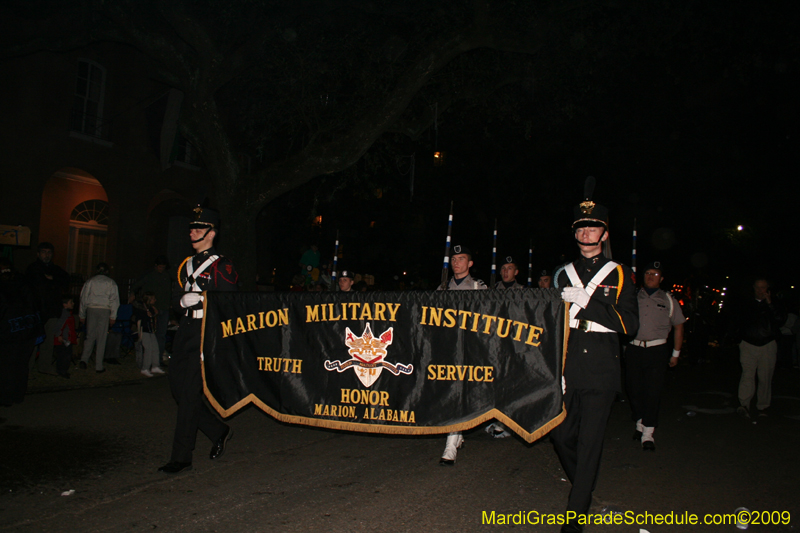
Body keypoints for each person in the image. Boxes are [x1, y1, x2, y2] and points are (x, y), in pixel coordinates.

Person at [550, 178, 638, 533]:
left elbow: (629, 324)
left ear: (604, 233)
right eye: (581, 228)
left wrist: (589, 302)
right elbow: (550, 324)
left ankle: (576, 513)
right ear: (575, 233)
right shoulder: (562, 274)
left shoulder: (620, 274)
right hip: (568, 364)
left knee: (590, 442)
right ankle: (584, 485)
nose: (586, 233)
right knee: (560, 435)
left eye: (593, 227)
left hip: (602, 366)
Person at [158, 205, 238, 474]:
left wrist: (204, 301)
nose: (192, 232)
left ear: (211, 233)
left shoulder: (222, 266)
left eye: (199, 228)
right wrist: (181, 302)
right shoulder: (186, 264)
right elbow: (176, 299)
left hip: (206, 331)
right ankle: (218, 430)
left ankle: (181, 457)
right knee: (178, 389)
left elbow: (229, 305)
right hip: (186, 330)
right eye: (192, 228)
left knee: (190, 393)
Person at [625, 261, 685, 451]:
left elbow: (679, 326)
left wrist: (676, 353)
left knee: (652, 392)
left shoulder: (668, 299)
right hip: (634, 349)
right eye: (648, 273)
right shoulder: (632, 296)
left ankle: (648, 433)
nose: (651, 277)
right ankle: (640, 423)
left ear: (662, 278)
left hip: (657, 350)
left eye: (655, 274)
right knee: (634, 390)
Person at [438, 244, 487, 465]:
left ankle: (451, 442)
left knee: (460, 392)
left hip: (469, 347)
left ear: (470, 263)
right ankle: (456, 434)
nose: (456, 262)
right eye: (454, 259)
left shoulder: (478, 287)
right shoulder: (442, 289)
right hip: (448, 347)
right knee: (451, 392)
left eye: (461, 258)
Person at [733, 278, 785, 418]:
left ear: (768, 289)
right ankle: (744, 404)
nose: (760, 290)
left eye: (763, 287)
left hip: (767, 344)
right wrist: (738, 338)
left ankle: (763, 405)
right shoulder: (746, 303)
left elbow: (780, 320)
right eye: (757, 287)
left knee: (765, 376)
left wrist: (770, 303)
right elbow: (737, 320)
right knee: (747, 374)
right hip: (748, 343)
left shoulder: (774, 304)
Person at [1, 257, 41, 406]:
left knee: (6, 366)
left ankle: (6, 397)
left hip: (8, 333)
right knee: (21, 364)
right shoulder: (24, 284)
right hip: (26, 331)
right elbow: (34, 305)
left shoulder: (5, 287)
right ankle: (18, 395)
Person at [25, 242, 70, 375]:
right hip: (37, 310)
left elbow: (66, 280)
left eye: (49, 252)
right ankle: (28, 368)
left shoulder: (55, 269)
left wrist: (52, 279)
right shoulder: (33, 268)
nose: (47, 255)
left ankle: (44, 366)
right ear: (38, 254)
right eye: (44, 252)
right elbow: (37, 285)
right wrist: (51, 281)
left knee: (48, 341)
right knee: (33, 341)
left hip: (52, 310)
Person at [78, 263, 120, 373]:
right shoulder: (111, 282)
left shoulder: (90, 281)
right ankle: (98, 365)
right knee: (101, 338)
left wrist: (82, 314)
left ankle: (84, 359)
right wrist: (113, 316)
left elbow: (83, 298)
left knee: (90, 336)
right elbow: (114, 300)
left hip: (91, 309)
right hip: (104, 310)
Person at [130, 256, 172, 365]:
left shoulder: (166, 276)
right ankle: (148, 359)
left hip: (164, 308)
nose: (161, 269)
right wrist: (133, 294)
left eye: (163, 267)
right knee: (150, 335)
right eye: (160, 267)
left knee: (161, 335)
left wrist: (169, 305)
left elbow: (168, 292)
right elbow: (137, 285)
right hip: (152, 309)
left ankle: (158, 359)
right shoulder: (149, 275)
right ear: (156, 266)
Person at [134, 292, 165, 377]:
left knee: (155, 348)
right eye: (153, 299)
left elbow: (153, 316)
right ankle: (145, 368)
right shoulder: (141, 308)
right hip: (144, 330)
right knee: (148, 349)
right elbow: (139, 319)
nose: (155, 300)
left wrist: (155, 313)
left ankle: (155, 366)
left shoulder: (151, 308)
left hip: (151, 330)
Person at [54, 296, 77, 379]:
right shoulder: (64, 314)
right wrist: (59, 335)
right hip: (64, 339)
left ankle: (63, 370)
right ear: (65, 304)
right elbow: (59, 325)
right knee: (64, 356)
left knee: (66, 355)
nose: (73, 304)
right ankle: (62, 371)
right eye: (71, 302)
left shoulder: (67, 313)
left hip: (67, 338)